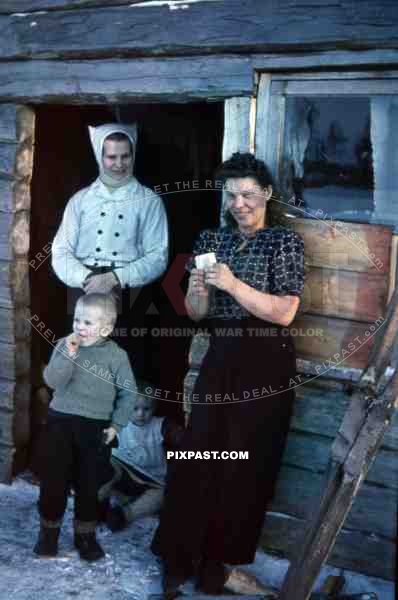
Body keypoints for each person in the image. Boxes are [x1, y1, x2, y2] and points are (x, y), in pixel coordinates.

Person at [151, 153, 305, 597]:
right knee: (198, 454)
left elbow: (286, 312)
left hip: (266, 359)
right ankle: (178, 557)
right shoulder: (210, 238)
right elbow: (197, 314)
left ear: (267, 195)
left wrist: (233, 284)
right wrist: (197, 292)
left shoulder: (283, 243)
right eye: (232, 194)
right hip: (221, 356)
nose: (239, 203)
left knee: (245, 465)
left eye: (248, 195)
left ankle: (217, 568)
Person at [33, 293, 136, 561]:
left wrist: (116, 425)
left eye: (88, 322)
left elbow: (128, 393)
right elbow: (53, 380)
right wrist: (69, 353)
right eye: (77, 319)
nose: (79, 327)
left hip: (95, 428)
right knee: (54, 481)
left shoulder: (117, 356)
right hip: (60, 423)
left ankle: (85, 535)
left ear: (106, 328)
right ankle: (49, 532)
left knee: (89, 484)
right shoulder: (64, 345)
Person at [51, 123, 168, 294]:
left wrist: (116, 278)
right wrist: (86, 278)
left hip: (130, 287)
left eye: (125, 156)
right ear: (100, 156)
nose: (119, 164)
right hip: (84, 286)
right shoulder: (80, 200)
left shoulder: (149, 201)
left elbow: (158, 256)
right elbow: (61, 251)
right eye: (112, 157)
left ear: (133, 155)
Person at [97, 393, 184, 532]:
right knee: (104, 469)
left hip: (151, 478)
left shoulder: (160, 425)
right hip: (123, 466)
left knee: (161, 497)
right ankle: (98, 504)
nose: (140, 414)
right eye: (135, 408)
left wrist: (180, 436)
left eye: (146, 409)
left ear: (154, 409)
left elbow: (179, 437)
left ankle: (125, 514)